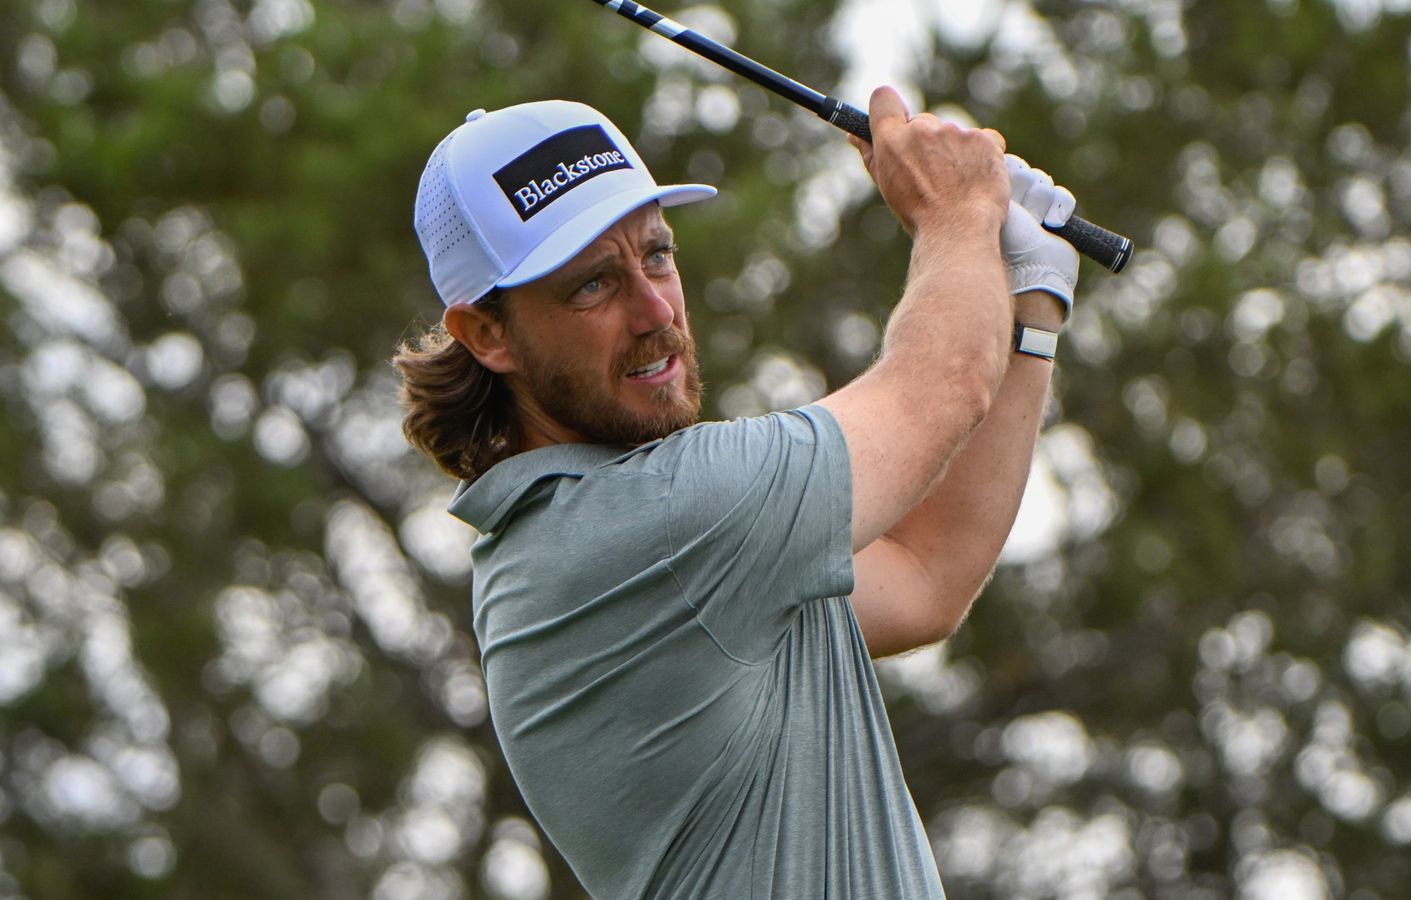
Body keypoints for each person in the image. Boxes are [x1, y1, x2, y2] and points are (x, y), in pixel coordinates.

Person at [394, 88, 1080, 898]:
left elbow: (924, 571)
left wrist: (1027, 296)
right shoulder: (647, 523)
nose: (655, 309)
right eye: (593, 286)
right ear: (488, 334)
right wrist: (956, 212)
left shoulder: (667, 551)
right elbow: (944, 383)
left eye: (657, 254)